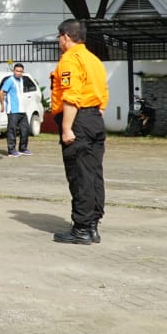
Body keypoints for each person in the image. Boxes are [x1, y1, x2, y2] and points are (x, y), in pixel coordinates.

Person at [50, 19, 108, 245]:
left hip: (78, 120)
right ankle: (92, 224)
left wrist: (66, 128)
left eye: (59, 37)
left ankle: (81, 228)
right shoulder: (94, 60)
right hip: (94, 118)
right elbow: (103, 96)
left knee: (79, 174)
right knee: (94, 174)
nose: (58, 41)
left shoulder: (69, 60)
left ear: (65, 36)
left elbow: (71, 94)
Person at [2, 63, 32, 157]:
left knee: (25, 129)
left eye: (20, 71)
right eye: (17, 71)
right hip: (13, 110)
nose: (18, 73)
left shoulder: (22, 80)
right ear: (13, 71)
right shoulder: (10, 81)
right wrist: (2, 104)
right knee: (12, 130)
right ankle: (11, 150)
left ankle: (23, 148)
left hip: (22, 110)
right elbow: (2, 92)